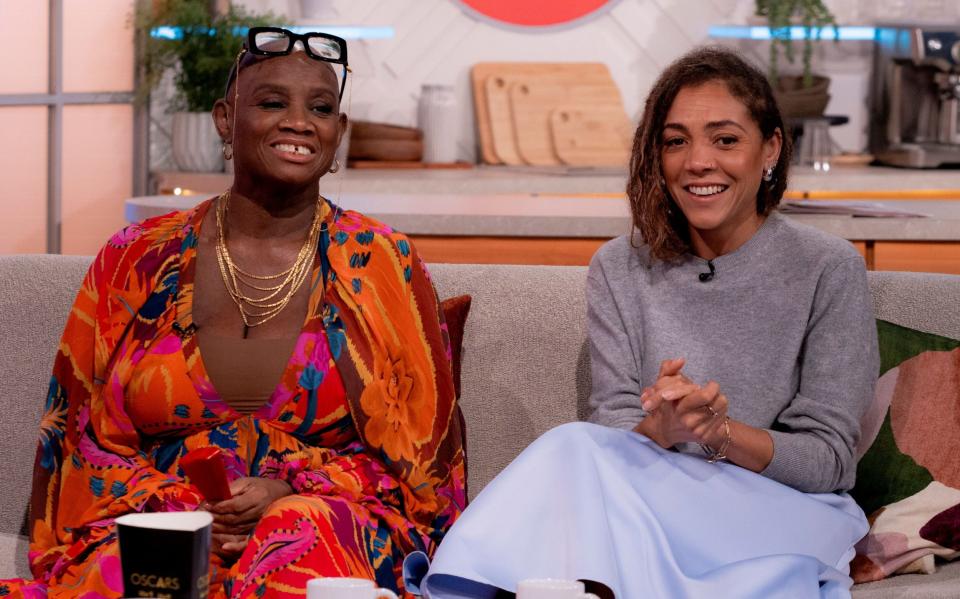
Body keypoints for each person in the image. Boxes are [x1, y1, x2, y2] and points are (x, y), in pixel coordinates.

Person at [1, 27, 464, 598]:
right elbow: (78, 442)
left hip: (326, 520)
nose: (299, 122)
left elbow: (425, 475)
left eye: (320, 108)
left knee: (296, 532)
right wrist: (183, 506)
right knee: (156, 558)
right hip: (166, 514)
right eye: (272, 103)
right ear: (225, 118)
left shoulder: (383, 264)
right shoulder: (137, 257)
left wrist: (286, 490)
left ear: (338, 133)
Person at [421, 47, 878, 599]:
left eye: (725, 139)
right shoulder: (620, 267)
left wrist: (720, 435)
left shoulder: (828, 268)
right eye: (675, 141)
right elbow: (613, 436)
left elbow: (828, 459)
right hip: (657, 496)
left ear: (771, 149)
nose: (697, 162)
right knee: (576, 449)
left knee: (575, 454)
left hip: (784, 508)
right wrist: (660, 430)